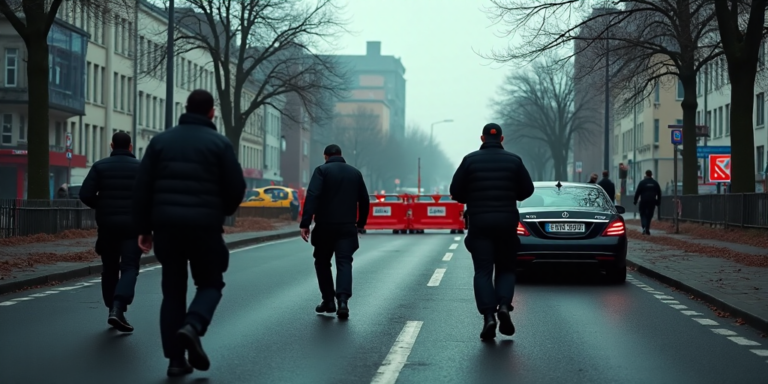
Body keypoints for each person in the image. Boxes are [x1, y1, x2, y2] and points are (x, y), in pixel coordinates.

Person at [133, 89, 246, 377]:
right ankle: (193, 325)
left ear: (185, 108)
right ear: (211, 113)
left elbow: (142, 187)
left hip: (167, 229)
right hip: (204, 228)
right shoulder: (219, 144)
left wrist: (144, 229)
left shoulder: (159, 142)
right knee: (210, 283)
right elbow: (236, 188)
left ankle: (175, 360)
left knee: (172, 291)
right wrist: (221, 212)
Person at [449, 123, 534, 341]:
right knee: (506, 269)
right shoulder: (514, 161)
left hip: (480, 223)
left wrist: (471, 197)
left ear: (482, 138)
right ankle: (504, 305)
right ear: (502, 139)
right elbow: (527, 190)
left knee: (483, 271)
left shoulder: (470, 161)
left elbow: (455, 191)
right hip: (507, 222)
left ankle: (489, 317)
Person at [78, 132, 142, 333]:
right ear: (130, 147)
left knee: (110, 267)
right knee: (130, 267)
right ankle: (118, 306)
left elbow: (85, 194)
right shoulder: (142, 168)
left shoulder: (100, 166)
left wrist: (102, 205)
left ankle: (111, 308)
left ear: (111, 145)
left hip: (107, 226)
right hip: (133, 226)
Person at [300, 144, 370, 320]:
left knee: (322, 262)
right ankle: (343, 302)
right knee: (344, 262)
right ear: (341, 155)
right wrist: (360, 223)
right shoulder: (355, 173)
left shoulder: (321, 171)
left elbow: (313, 195)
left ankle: (328, 301)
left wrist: (305, 223)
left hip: (324, 226)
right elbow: (364, 200)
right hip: (347, 226)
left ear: (326, 156)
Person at [633, 170, 662, 235]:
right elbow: (659, 193)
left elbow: (637, 192)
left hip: (643, 201)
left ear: (646, 174)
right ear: (651, 175)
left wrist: (635, 200)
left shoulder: (642, 183)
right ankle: (647, 228)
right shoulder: (655, 183)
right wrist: (658, 201)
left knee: (642, 214)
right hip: (652, 201)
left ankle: (644, 227)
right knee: (649, 215)